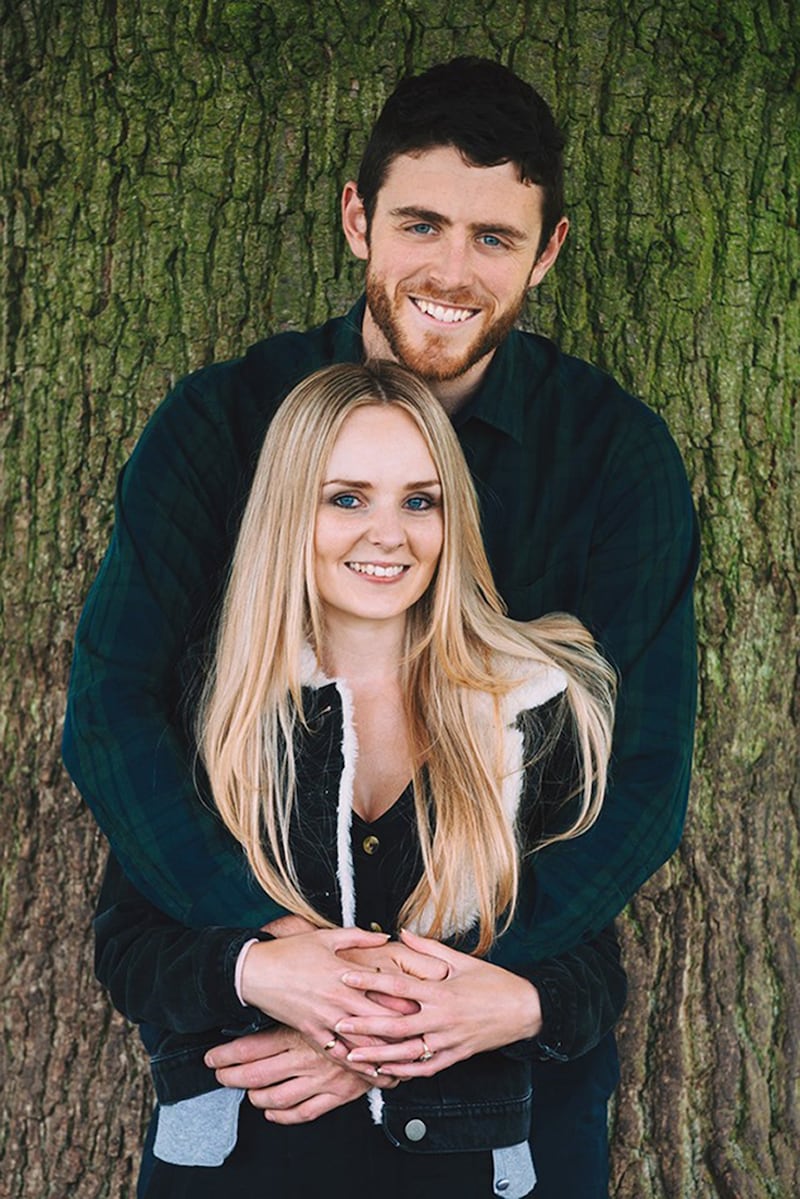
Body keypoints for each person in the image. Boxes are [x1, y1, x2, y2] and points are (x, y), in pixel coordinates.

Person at [63, 57, 699, 1196]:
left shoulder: (612, 456)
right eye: (419, 222)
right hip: (252, 1066)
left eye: (494, 238)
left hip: (502, 1072)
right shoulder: (220, 423)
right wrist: (274, 955)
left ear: (546, 251)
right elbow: (113, 710)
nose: (451, 270)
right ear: (358, 218)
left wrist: (405, 1009)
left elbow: (639, 781)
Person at [94, 360, 623, 1197]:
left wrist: (425, 1027)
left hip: (464, 1169)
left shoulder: (535, 702)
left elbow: (591, 968)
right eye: (346, 498)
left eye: (419, 500)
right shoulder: (215, 711)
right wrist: (256, 969)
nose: (389, 533)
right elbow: (129, 947)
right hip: (240, 1166)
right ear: (289, 513)